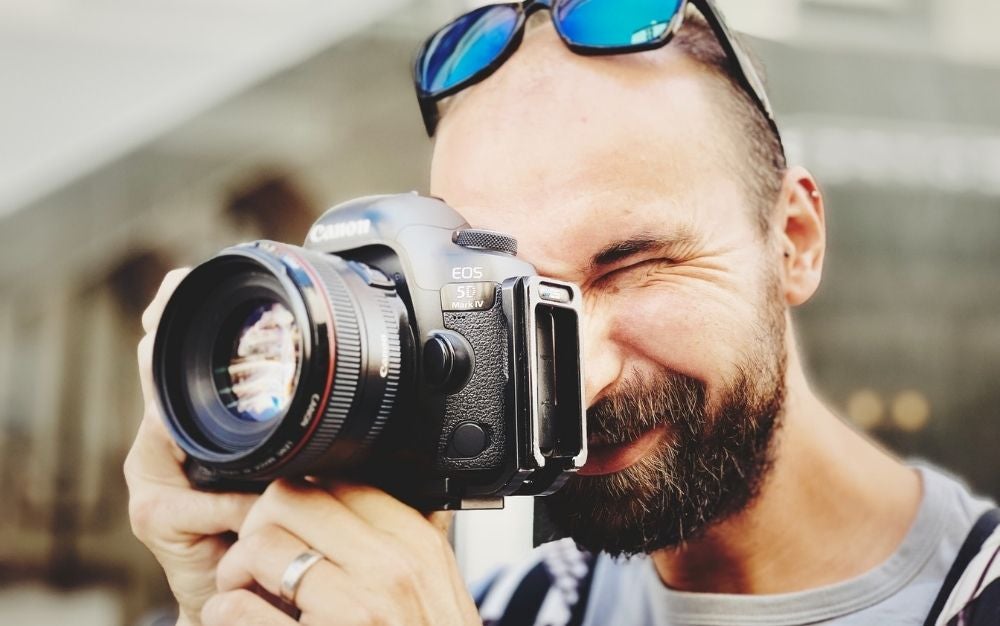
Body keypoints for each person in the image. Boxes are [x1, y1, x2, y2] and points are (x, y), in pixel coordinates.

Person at [125, 1, 999, 625]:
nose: (575, 376)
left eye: (634, 265)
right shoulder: (502, 607)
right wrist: (239, 595)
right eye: (505, 303)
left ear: (795, 241)